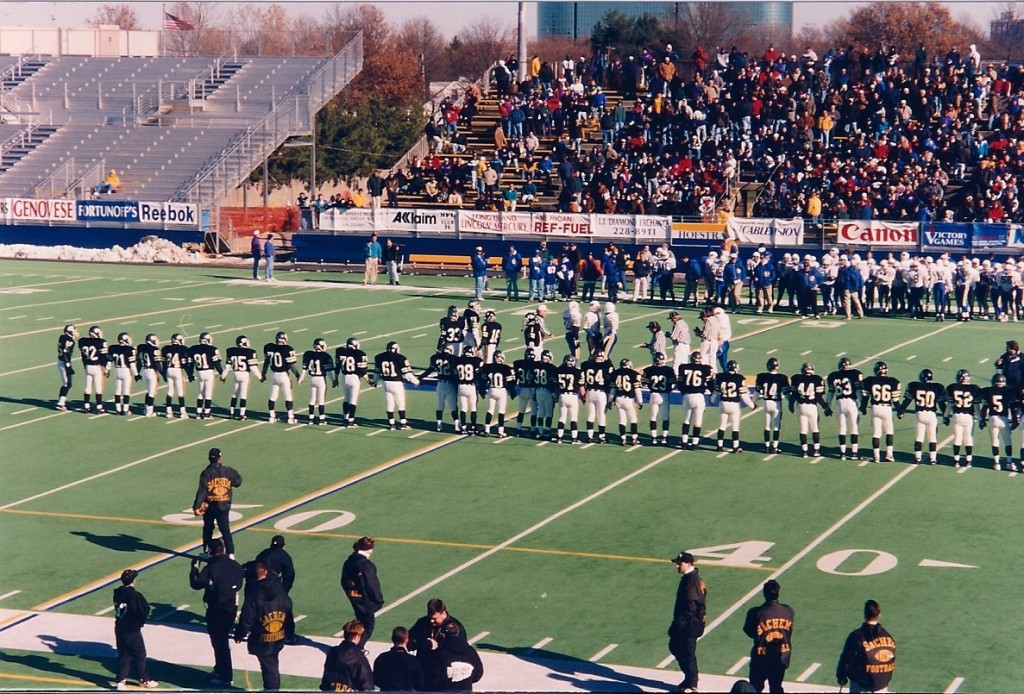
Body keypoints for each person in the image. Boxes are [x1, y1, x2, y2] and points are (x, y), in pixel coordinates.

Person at [189, 538, 244, 687]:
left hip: (216, 609)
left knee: (219, 643)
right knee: (221, 641)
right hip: (231, 607)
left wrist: (195, 567)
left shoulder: (211, 569)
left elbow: (196, 583)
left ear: (211, 551)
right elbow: (238, 584)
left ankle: (225, 675)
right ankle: (220, 668)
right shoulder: (235, 565)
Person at [235, 561, 293, 692]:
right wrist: (289, 630)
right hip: (278, 634)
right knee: (272, 663)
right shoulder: (279, 590)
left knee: (268, 666)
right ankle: (271, 687)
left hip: (261, 637)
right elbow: (288, 608)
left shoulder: (254, 595)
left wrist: (240, 633)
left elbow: (247, 619)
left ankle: (271, 689)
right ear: (266, 572)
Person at [742, 579, 794, 693]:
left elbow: (748, 630)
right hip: (781, 656)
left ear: (764, 594)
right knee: (776, 687)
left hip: (761, 657)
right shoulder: (789, 611)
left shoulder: (755, 612)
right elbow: (789, 631)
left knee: (755, 687)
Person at [836, 600, 896, 693]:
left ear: (865, 615)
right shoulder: (888, 637)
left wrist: (841, 677)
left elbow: (846, 659)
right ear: (879, 615)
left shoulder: (856, 636)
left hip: (861, 686)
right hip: (881, 686)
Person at [112, 569, 158, 690]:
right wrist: (141, 622)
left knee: (124, 653)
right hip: (131, 628)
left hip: (119, 627)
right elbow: (144, 609)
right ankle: (144, 678)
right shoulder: (134, 595)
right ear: (133, 580)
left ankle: (121, 680)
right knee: (140, 653)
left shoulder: (117, 592)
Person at [193, 448, 242, 558]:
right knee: (225, 530)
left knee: (208, 529)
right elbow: (238, 482)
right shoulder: (227, 471)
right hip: (224, 504)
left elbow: (202, 490)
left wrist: (196, 506)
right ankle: (230, 552)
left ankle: (207, 552)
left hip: (211, 505)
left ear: (209, 459)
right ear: (219, 458)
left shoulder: (206, 473)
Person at [668, 551, 706, 693]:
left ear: (688, 564)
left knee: (686, 651)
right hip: (691, 623)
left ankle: (692, 682)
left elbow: (690, 608)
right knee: (679, 648)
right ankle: (690, 678)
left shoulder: (691, 582)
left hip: (690, 625)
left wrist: (678, 625)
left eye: (680, 563)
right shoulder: (693, 579)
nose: (677, 566)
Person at [408, 598, 466, 691]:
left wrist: (438, 648)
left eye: (435, 618)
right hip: (423, 671)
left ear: (443, 613)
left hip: (443, 675)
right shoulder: (422, 623)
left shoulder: (454, 628)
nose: (431, 621)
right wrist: (426, 644)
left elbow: (459, 650)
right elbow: (410, 640)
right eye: (430, 617)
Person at [341, 536, 384, 645]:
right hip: (365, 600)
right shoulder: (366, 565)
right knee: (367, 627)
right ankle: (357, 647)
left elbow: (344, 580)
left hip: (353, 596)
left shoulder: (349, 560)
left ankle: (352, 644)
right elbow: (372, 584)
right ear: (370, 549)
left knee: (360, 622)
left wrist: (349, 592)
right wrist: (378, 600)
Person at [256, 535, 297, 643]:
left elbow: (256, 566)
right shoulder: (285, 556)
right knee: (286, 608)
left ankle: (252, 630)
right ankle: (289, 635)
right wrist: (285, 590)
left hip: (260, 585)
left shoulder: (264, 553)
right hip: (275, 585)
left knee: (256, 607)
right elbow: (290, 575)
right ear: (283, 545)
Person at [860, 361, 901, 463]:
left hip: (875, 407)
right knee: (889, 431)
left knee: (876, 433)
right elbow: (895, 400)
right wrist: (900, 411)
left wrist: (863, 407)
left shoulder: (870, 380)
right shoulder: (893, 381)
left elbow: (865, 397)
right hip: (886, 408)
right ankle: (889, 454)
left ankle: (876, 456)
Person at [374, 341, 421, 429]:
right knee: (401, 403)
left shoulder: (379, 357)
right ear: (396, 349)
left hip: (385, 382)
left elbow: (377, 372)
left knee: (389, 403)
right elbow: (407, 374)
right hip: (396, 383)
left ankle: (391, 423)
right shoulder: (400, 358)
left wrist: (375, 382)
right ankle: (403, 423)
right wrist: (416, 381)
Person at [320, 620, 374, 692]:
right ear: (357, 636)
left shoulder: (333, 652)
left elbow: (326, 678)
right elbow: (367, 685)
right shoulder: (359, 657)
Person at [827, 357, 864, 460]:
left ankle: (842, 453)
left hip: (839, 402)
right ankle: (854, 453)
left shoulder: (833, 375)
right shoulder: (855, 374)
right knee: (854, 427)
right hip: (851, 402)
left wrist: (827, 406)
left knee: (842, 428)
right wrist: (863, 404)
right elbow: (858, 391)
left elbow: (830, 393)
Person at [262, 331, 301, 424]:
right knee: (288, 395)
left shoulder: (269, 347)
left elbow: (266, 363)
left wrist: (263, 374)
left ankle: (272, 416)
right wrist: (298, 375)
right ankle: (290, 417)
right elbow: (291, 365)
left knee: (273, 396)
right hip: (284, 375)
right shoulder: (288, 349)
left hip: (274, 375)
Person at [222, 335, 263, 420]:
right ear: (244, 342)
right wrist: (260, 377)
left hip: (236, 373)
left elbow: (227, 366)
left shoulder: (231, 351)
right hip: (244, 374)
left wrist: (223, 376)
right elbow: (253, 367)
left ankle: (231, 412)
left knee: (234, 394)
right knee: (243, 395)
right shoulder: (250, 352)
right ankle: (242, 414)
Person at [333, 337, 370, 427]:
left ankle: (346, 418)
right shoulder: (360, 354)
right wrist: (369, 381)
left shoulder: (340, 352)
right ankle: (351, 420)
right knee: (353, 400)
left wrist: (336, 378)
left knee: (346, 398)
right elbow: (362, 371)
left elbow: (337, 367)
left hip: (344, 377)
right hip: (354, 378)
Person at [437, 620, 484, 691]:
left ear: (443, 635)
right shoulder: (470, 651)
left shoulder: (441, 654)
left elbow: (434, 676)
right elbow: (478, 673)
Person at [374, 626, 424, 691]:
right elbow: (419, 682)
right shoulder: (413, 660)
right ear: (406, 640)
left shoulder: (382, 658)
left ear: (392, 639)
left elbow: (376, 679)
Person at [755, 358, 788, 454]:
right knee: (776, 426)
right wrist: (791, 401)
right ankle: (775, 446)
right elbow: (786, 393)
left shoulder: (762, 376)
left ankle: (767, 446)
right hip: (776, 403)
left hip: (766, 403)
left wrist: (753, 402)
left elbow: (757, 392)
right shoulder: (782, 377)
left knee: (767, 426)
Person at [188, 332, 223, 420]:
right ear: (207, 340)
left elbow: (191, 364)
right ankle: (207, 413)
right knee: (208, 393)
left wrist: (190, 374)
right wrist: (222, 373)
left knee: (200, 393)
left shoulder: (193, 349)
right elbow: (217, 364)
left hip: (199, 372)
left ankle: (198, 412)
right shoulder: (212, 349)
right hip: (209, 372)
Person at [299, 337, 334, 425]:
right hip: (321, 379)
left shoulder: (308, 354)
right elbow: (328, 371)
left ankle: (311, 418)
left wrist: (301, 379)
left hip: (312, 379)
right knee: (321, 399)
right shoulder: (325, 356)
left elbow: (304, 369)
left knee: (312, 399)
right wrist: (333, 380)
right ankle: (321, 419)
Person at [78, 324, 109, 413]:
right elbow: (103, 358)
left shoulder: (83, 341)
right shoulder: (101, 342)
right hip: (96, 367)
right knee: (98, 387)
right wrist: (106, 368)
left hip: (88, 366)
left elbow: (83, 356)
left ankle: (86, 405)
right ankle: (99, 407)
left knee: (88, 386)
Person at [108, 332, 139, 416]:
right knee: (126, 391)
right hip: (126, 371)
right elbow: (132, 364)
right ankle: (125, 410)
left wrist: (107, 370)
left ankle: (118, 410)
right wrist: (136, 374)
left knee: (117, 391)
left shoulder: (112, 348)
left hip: (117, 370)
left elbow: (109, 361)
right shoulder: (130, 349)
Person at [161, 333, 190, 418]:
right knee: (180, 391)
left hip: (169, 370)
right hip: (177, 370)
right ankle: (182, 412)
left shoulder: (166, 348)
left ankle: (168, 411)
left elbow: (164, 363)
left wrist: (164, 373)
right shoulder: (183, 349)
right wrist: (190, 374)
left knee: (170, 391)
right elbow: (184, 364)